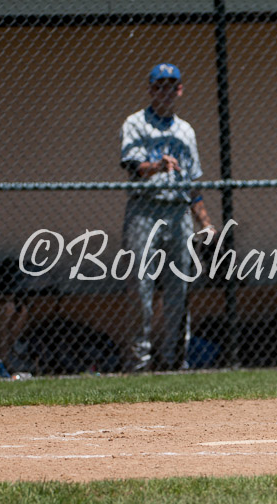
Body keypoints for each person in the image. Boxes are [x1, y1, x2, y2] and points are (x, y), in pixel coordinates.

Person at [119, 63, 216, 371]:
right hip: (144, 210)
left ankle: (175, 361)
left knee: (179, 289)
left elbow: (190, 185)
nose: (165, 91)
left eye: (171, 86)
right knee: (141, 289)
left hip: (178, 212)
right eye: (159, 85)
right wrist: (158, 166)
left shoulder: (185, 131)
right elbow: (133, 166)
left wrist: (206, 222)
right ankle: (139, 364)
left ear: (180, 90)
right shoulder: (135, 123)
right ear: (150, 90)